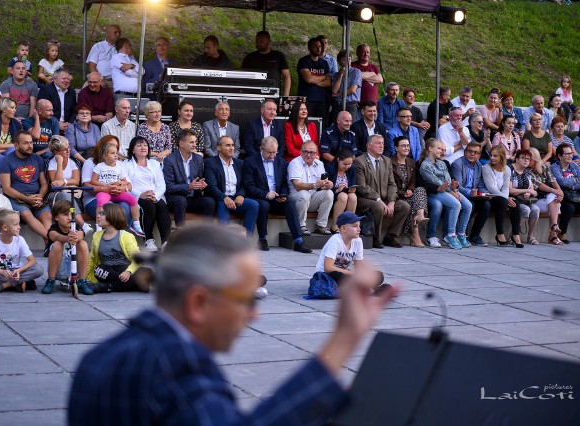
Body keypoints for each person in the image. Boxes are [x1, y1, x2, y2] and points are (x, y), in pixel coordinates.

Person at [68, 223, 399, 425]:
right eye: (245, 299)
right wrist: (343, 339)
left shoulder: (100, 357)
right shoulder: (177, 370)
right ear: (198, 302)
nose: (254, 314)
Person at [243, 136, 312, 253]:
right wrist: (265, 194)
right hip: (260, 197)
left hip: (277, 197)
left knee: (290, 202)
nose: (272, 155)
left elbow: (285, 183)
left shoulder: (282, 162)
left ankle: (298, 240)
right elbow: (249, 186)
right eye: (269, 152)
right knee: (263, 205)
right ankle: (262, 239)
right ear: (261, 149)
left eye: (275, 152)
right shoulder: (250, 162)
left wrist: (283, 195)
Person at [354, 134, 410, 248]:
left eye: (383, 143)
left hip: (384, 198)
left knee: (404, 206)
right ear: (369, 146)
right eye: (378, 143)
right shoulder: (359, 161)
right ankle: (375, 238)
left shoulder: (387, 160)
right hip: (365, 199)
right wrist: (379, 200)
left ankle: (391, 236)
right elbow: (362, 187)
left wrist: (391, 201)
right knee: (378, 207)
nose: (381, 146)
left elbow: (392, 184)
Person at [0, 131, 52, 243]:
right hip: (17, 199)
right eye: (26, 143)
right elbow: (6, 188)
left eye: (31, 143)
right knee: (26, 214)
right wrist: (26, 198)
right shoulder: (6, 160)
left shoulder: (38, 159)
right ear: (16, 145)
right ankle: (52, 240)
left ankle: (49, 244)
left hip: (37, 197)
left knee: (47, 215)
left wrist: (40, 197)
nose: (30, 146)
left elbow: (44, 184)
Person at [419, 138, 472, 250]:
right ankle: (450, 235)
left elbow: (447, 180)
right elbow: (437, 183)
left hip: (447, 191)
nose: (441, 151)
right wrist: (451, 190)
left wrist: (453, 188)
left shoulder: (442, 163)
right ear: (430, 149)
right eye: (438, 148)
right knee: (456, 204)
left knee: (468, 205)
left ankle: (461, 234)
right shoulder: (425, 166)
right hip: (435, 193)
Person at [0, 209, 43, 294]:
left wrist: (19, 271)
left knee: (39, 269)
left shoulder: (20, 240)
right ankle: (16, 284)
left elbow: (32, 261)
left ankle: (3, 286)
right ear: (5, 227)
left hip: (16, 273)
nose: (19, 227)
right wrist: (1, 271)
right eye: (16, 224)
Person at [314, 211, 385, 290]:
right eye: (355, 226)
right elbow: (328, 268)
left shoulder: (358, 241)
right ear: (344, 228)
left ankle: (362, 287)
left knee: (378, 275)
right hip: (326, 276)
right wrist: (353, 274)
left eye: (359, 226)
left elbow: (359, 268)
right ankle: (366, 288)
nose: (359, 229)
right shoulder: (335, 240)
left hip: (345, 274)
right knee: (339, 276)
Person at [87, 203, 148, 293]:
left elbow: (138, 259)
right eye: (98, 213)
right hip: (107, 272)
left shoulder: (126, 236)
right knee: (98, 269)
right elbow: (91, 259)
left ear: (112, 216)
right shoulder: (96, 236)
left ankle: (109, 287)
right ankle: (133, 284)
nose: (98, 216)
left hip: (124, 270)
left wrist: (128, 272)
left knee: (147, 271)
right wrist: (84, 278)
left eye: (102, 213)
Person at [124, 136, 172, 252]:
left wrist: (155, 195)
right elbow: (127, 185)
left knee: (161, 206)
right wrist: (141, 194)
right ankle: (148, 239)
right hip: (136, 196)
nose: (143, 147)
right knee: (149, 207)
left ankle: (166, 241)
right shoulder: (126, 164)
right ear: (132, 150)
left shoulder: (154, 163)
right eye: (139, 145)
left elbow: (161, 183)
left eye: (145, 145)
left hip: (155, 195)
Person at [204, 136, 259, 237]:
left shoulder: (239, 163)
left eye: (233, 145)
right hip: (220, 199)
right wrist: (224, 198)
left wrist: (241, 195)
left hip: (236, 198)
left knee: (253, 205)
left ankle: (247, 241)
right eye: (228, 145)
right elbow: (211, 186)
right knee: (222, 207)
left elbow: (244, 183)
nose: (231, 148)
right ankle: (226, 243)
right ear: (219, 148)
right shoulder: (211, 163)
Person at [163, 129, 215, 227]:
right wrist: (188, 186)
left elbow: (199, 178)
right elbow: (169, 187)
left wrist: (201, 184)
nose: (195, 145)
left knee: (210, 202)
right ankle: (181, 234)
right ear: (181, 144)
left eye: (195, 142)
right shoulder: (170, 160)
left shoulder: (198, 158)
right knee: (181, 200)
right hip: (175, 198)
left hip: (192, 197)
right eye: (191, 142)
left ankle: (207, 234)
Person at [90, 142, 145, 236]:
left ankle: (136, 223)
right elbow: (93, 181)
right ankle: (98, 225)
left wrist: (120, 183)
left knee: (132, 199)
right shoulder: (100, 166)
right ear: (105, 156)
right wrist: (105, 185)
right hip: (105, 192)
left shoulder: (119, 167)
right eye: (112, 153)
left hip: (117, 192)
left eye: (116, 153)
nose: (116, 155)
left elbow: (126, 182)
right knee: (101, 201)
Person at [42, 200, 93, 295]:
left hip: (75, 267)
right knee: (57, 244)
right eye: (65, 214)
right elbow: (55, 236)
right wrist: (67, 238)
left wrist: (77, 236)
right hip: (59, 269)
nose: (69, 218)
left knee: (83, 244)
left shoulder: (76, 226)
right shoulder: (53, 228)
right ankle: (50, 280)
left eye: (71, 214)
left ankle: (82, 280)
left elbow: (81, 234)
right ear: (56, 217)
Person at [451, 141, 496, 247]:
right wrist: (469, 193)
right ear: (465, 152)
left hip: (474, 194)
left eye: (476, 152)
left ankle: (475, 236)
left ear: (479, 155)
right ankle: (462, 235)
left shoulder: (479, 166)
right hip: (460, 194)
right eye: (470, 151)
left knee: (486, 205)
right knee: (471, 204)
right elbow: (457, 186)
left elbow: (480, 185)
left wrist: (485, 194)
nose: (472, 154)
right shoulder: (458, 164)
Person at [46, 135, 93, 235]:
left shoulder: (73, 161)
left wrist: (64, 181)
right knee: (65, 195)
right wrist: (59, 163)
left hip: (73, 193)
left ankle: (77, 226)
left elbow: (76, 180)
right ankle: (83, 225)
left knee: (70, 196)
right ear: (56, 152)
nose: (68, 151)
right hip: (56, 195)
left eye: (68, 148)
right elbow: (56, 185)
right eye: (64, 150)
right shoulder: (51, 163)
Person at [81, 136, 132, 224]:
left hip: (117, 196)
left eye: (116, 147)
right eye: (110, 145)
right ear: (102, 147)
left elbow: (129, 185)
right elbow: (87, 186)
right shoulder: (90, 162)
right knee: (111, 209)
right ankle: (106, 236)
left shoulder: (119, 164)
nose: (114, 149)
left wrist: (121, 189)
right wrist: (105, 189)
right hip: (93, 199)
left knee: (126, 208)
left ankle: (122, 236)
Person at [288, 141, 334, 235]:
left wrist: (328, 184)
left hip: (311, 198)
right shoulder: (295, 163)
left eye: (312, 153)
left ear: (316, 154)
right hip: (295, 198)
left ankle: (320, 225)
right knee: (304, 194)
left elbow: (322, 184)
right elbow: (297, 186)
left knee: (329, 193)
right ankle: (300, 226)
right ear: (300, 151)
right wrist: (315, 185)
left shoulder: (319, 164)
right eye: (305, 152)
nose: (308, 155)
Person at [391, 136, 428, 247]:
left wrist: (411, 190)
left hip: (408, 194)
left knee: (420, 190)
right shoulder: (389, 162)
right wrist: (403, 193)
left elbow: (413, 180)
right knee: (411, 205)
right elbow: (390, 183)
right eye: (403, 145)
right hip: (396, 195)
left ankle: (420, 215)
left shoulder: (411, 162)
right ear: (396, 148)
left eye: (408, 145)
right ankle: (415, 235)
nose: (406, 148)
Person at [528, 147, 565, 246]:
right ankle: (553, 234)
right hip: (536, 200)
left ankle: (553, 229)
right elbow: (540, 185)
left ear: (535, 158)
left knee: (554, 200)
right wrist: (557, 192)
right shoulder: (527, 170)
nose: (527, 161)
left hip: (547, 199)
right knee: (556, 202)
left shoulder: (544, 167)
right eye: (526, 158)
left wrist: (560, 192)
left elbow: (553, 181)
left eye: (530, 158)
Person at [241, 31, 291, 96]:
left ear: (269, 42)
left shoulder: (278, 56)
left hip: (273, 94)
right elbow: (243, 76)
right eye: (257, 41)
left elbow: (287, 76)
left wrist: (286, 96)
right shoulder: (250, 57)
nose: (258, 43)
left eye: (261, 41)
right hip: (254, 94)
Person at [481, 146, 512, 246]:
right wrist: (506, 199)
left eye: (495, 156)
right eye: (491, 155)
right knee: (504, 202)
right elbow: (490, 188)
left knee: (516, 204)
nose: (492, 158)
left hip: (501, 197)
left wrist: (506, 198)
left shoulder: (507, 169)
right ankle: (500, 234)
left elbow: (506, 187)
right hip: (490, 196)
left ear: (502, 157)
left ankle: (516, 235)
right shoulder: (486, 168)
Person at [508, 149, 540, 247]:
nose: (526, 160)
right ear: (516, 159)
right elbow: (510, 190)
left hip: (525, 200)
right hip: (512, 199)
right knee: (525, 210)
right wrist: (526, 191)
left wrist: (529, 193)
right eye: (523, 158)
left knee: (536, 209)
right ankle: (513, 235)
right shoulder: (510, 170)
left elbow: (534, 191)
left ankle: (530, 236)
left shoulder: (527, 172)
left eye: (528, 159)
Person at [297, 38, 331, 126]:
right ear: (309, 48)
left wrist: (314, 80)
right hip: (307, 100)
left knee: (322, 126)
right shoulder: (303, 61)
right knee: (306, 124)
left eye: (320, 46)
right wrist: (323, 77)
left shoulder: (324, 63)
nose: (318, 48)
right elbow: (308, 79)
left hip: (322, 100)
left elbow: (329, 82)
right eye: (315, 46)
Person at [551, 143, 580, 245]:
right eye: (566, 154)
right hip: (563, 196)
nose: (570, 156)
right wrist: (576, 180)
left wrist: (572, 185)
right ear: (559, 156)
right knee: (569, 208)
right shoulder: (555, 167)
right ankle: (562, 233)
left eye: (571, 153)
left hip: (575, 195)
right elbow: (561, 182)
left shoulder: (574, 165)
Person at [327, 149, 357, 234]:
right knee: (343, 196)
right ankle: (335, 226)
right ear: (338, 160)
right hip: (333, 195)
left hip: (346, 193)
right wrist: (337, 190)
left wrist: (351, 189)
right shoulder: (330, 168)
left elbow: (353, 183)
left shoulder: (352, 169)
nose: (347, 166)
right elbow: (325, 187)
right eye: (344, 164)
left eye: (349, 164)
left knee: (353, 197)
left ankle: (349, 226)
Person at [37, 69, 76, 134]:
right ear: (55, 79)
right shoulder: (46, 90)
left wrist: (69, 123)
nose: (66, 81)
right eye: (64, 78)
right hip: (49, 124)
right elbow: (42, 111)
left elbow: (74, 111)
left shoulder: (71, 92)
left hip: (68, 126)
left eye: (68, 79)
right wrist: (57, 123)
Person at [87, 24, 122, 90]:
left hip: (118, 80)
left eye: (119, 33)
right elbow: (92, 66)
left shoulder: (122, 47)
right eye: (115, 32)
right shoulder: (98, 46)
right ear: (107, 33)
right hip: (101, 79)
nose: (118, 35)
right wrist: (99, 79)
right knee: (86, 89)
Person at [330, 49, 361, 123]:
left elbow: (352, 90)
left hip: (350, 104)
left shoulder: (356, 72)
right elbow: (334, 90)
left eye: (349, 59)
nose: (347, 62)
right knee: (337, 126)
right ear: (339, 62)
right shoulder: (336, 75)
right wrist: (340, 75)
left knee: (350, 127)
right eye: (344, 59)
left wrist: (338, 94)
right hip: (338, 104)